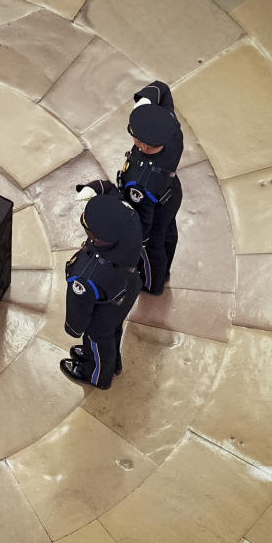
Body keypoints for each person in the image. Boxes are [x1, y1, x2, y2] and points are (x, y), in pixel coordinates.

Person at [59, 194, 142, 390]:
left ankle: (96, 375)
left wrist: (74, 328)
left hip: (105, 305)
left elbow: (79, 310)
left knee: (97, 338)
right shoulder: (130, 221)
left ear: (96, 237)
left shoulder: (85, 275)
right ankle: (113, 365)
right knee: (113, 330)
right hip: (126, 287)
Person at [117, 80, 184, 295]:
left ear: (143, 145)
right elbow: (161, 88)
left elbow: (143, 222)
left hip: (151, 205)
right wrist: (144, 103)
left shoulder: (139, 181)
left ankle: (153, 284)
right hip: (170, 192)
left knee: (152, 247)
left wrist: (136, 240)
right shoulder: (171, 131)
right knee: (168, 233)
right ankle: (165, 273)